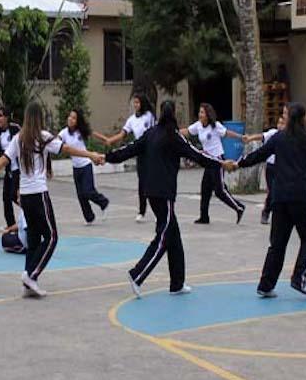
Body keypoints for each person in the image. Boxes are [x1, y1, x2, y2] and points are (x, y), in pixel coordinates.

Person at [105, 100, 236, 298]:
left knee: (174, 236)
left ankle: (177, 283)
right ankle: (137, 274)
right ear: (173, 114)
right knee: (164, 237)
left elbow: (128, 149)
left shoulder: (150, 134)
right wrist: (221, 163)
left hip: (151, 192)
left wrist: (106, 157)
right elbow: (198, 155)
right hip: (164, 194)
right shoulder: (174, 137)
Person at [0, 101, 105, 298]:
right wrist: (91, 155)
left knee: (34, 239)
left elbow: (3, 160)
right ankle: (32, 276)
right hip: (39, 194)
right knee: (52, 237)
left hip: (25, 197)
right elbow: (67, 149)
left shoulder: (18, 138)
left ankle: (28, 282)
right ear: (40, 118)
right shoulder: (43, 137)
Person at [233, 103, 306, 297]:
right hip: (301, 196)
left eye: (285, 114)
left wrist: (238, 164)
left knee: (277, 243)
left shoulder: (278, 138)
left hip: (279, 197)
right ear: (303, 117)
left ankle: (265, 285)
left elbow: (258, 155)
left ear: (290, 118)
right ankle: (299, 278)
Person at [181, 103, 246, 225]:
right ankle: (204, 217)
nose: (200, 115)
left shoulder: (215, 126)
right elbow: (187, 131)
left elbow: (227, 133)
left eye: (202, 113)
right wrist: (172, 132)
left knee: (220, 191)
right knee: (205, 189)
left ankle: (239, 207)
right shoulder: (198, 126)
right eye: (199, 112)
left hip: (218, 160)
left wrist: (240, 137)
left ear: (208, 114)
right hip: (208, 161)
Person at [96, 93, 155, 222]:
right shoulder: (132, 120)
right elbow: (123, 134)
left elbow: (154, 131)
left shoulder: (149, 116)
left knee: (153, 182)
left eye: (138, 103)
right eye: (134, 103)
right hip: (139, 151)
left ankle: (158, 211)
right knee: (142, 183)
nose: (135, 105)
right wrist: (110, 140)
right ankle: (142, 211)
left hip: (151, 151)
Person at [58, 108, 109, 225]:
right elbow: (56, 141)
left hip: (86, 165)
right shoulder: (64, 133)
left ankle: (103, 202)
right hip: (76, 168)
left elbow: (94, 134)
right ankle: (89, 217)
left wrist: (106, 140)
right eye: (70, 117)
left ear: (77, 121)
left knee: (88, 191)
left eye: (74, 118)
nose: (70, 119)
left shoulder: (80, 131)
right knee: (81, 195)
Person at [0, 106, 21, 228]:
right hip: (9, 170)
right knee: (6, 197)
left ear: (7, 118)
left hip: (19, 168)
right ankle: (11, 224)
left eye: (1, 115)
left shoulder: (15, 129)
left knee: (14, 195)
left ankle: (31, 211)